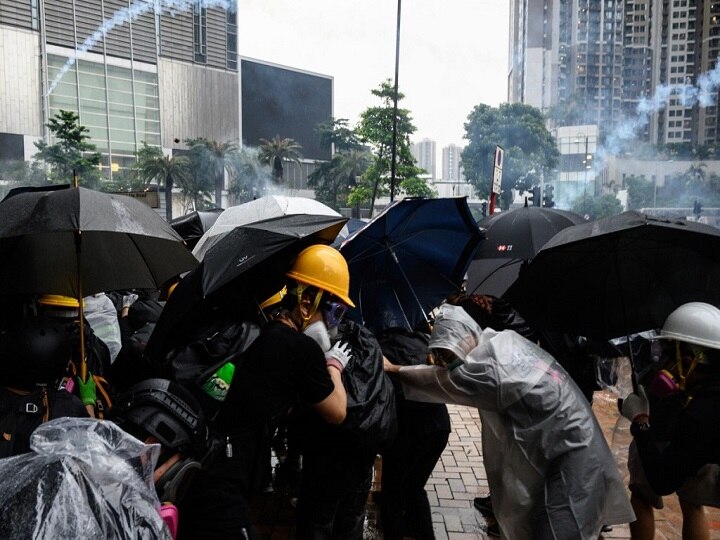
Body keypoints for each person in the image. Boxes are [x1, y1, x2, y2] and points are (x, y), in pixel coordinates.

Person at [384, 303, 635, 539]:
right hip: (568, 446)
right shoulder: (502, 342)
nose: (449, 363)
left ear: (467, 337)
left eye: (450, 354)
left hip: (574, 458)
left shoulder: (490, 367)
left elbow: (446, 381)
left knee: (558, 530)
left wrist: (394, 369)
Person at [178, 244, 351, 540]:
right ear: (307, 300)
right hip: (223, 481)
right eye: (333, 312)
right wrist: (334, 363)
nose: (334, 324)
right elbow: (337, 411)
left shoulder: (268, 330)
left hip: (211, 465)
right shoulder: (302, 348)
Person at [620, 302, 720, 540]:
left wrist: (641, 419)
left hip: (668, 439)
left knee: (644, 493)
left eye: (667, 354)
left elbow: (662, 480)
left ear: (688, 360)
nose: (663, 364)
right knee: (692, 501)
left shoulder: (701, 415)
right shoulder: (708, 396)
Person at [378, 325, 451, 540]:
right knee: (414, 489)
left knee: (392, 493)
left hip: (407, 430)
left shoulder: (380, 345)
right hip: (438, 426)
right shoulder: (424, 337)